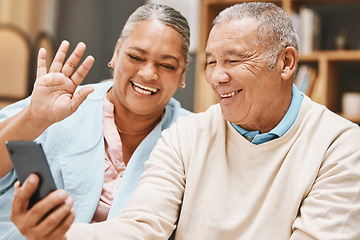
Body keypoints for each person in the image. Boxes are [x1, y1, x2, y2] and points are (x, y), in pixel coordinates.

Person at [14, 2, 360, 240]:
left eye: (234, 59)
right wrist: (56, 234)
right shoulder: (187, 134)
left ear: (286, 64)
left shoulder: (340, 145)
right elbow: (143, 227)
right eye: (211, 61)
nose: (217, 77)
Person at [0, 3, 191, 240]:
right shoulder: (58, 104)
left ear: (183, 74)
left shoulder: (191, 134)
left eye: (167, 65)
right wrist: (33, 119)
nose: (148, 73)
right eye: (135, 56)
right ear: (116, 53)